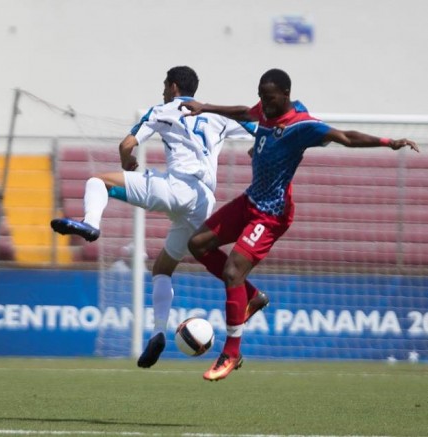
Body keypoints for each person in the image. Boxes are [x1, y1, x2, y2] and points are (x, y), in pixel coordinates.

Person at [179, 68, 420, 381]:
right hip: (251, 200)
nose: (263, 103)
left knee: (232, 271)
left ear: (285, 95)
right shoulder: (265, 110)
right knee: (198, 244)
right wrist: (206, 106)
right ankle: (251, 296)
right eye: (261, 96)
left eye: (268, 98)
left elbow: (345, 137)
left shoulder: (301, 125)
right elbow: (244, 112)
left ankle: (232, 353)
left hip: (271, 213)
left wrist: (389, 142)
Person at [51, 66, 264, 368]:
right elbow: (257, 126)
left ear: (174, 87)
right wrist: (258, 149)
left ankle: (91, 224)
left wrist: (128, 163)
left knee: (98, 182)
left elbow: (126, 144)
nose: (162, 91)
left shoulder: (163, 109)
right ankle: (160, 332)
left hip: (174, 187)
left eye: (164, 86)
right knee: (166, 265)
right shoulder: (216, 115)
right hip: (203, 199)